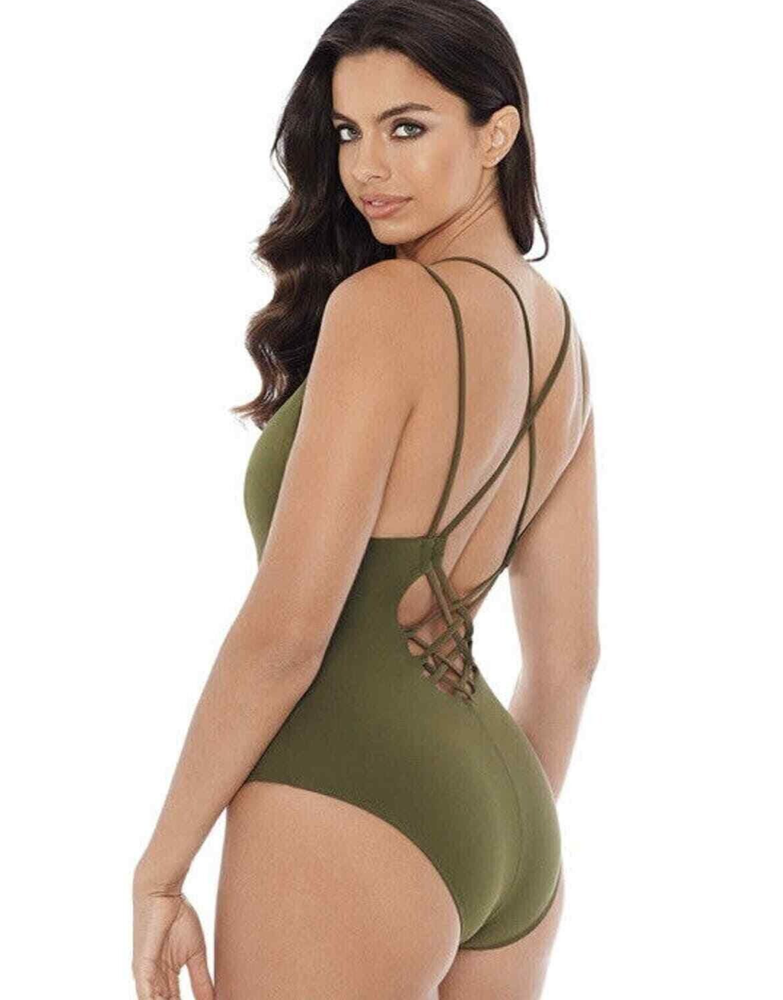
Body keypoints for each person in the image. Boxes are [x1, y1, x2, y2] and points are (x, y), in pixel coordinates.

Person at [132, 2, 599, 997]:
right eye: (348, 132)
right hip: (513, 818)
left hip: (352, 785)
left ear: (498, 134)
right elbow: (569, 658)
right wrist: (481, 819)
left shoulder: (385, 306)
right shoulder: (560, 337)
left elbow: (287, 634)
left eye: (407, 127)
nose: (368, 168)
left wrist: (161, 869)